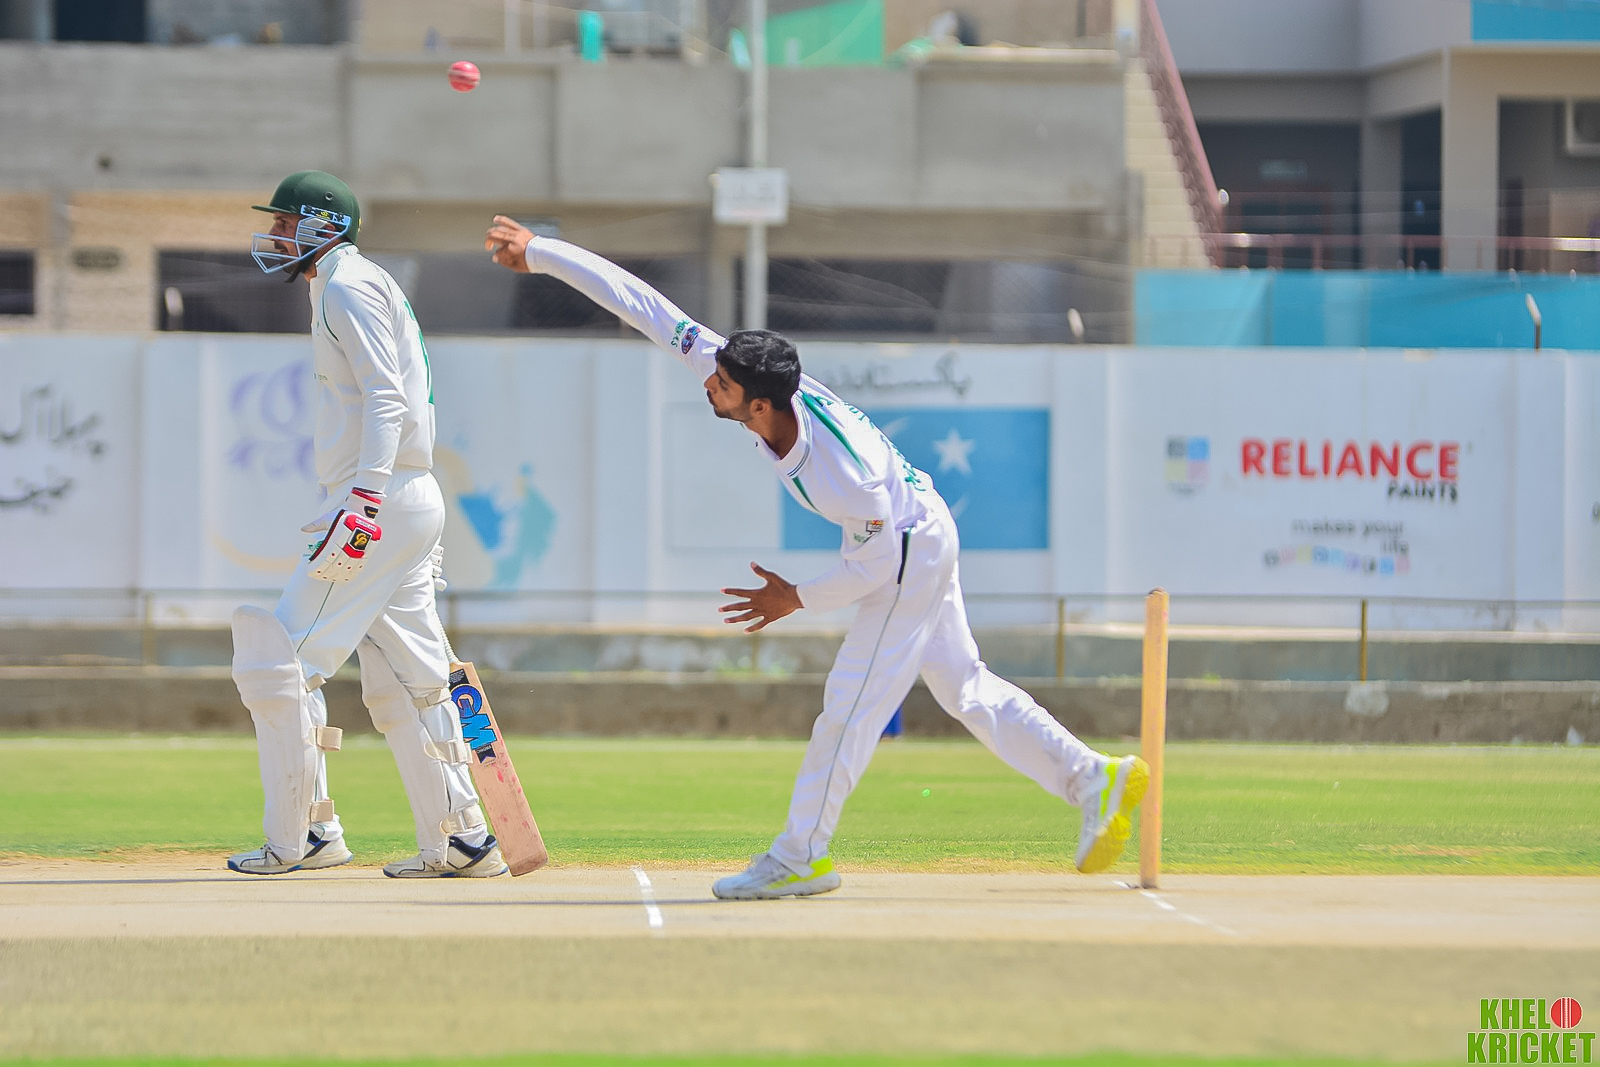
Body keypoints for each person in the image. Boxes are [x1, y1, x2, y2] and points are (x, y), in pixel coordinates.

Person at [484, 216, 1148, 899]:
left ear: (760, 404)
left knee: (849, 708)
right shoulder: (745, 379)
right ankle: (1093, 778)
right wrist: (543, 252)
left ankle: (801, 853)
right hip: (916, 528)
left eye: (722, 384)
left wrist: (793, 597)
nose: (708, 384)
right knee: (965, 688)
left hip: (907, 551)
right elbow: (643, 304)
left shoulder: (842, 473)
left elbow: (877, 567)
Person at [227, 171, 505, 877]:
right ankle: (464, 839)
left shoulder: (347, 286)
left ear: (324, 226)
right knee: (409, 683)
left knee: (278, 666)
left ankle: (303, 837)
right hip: (401, 500)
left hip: (378, 500)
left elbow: (387, 397)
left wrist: (364, 499)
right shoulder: (349, 282)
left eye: (286, 222)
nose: (276, 235)